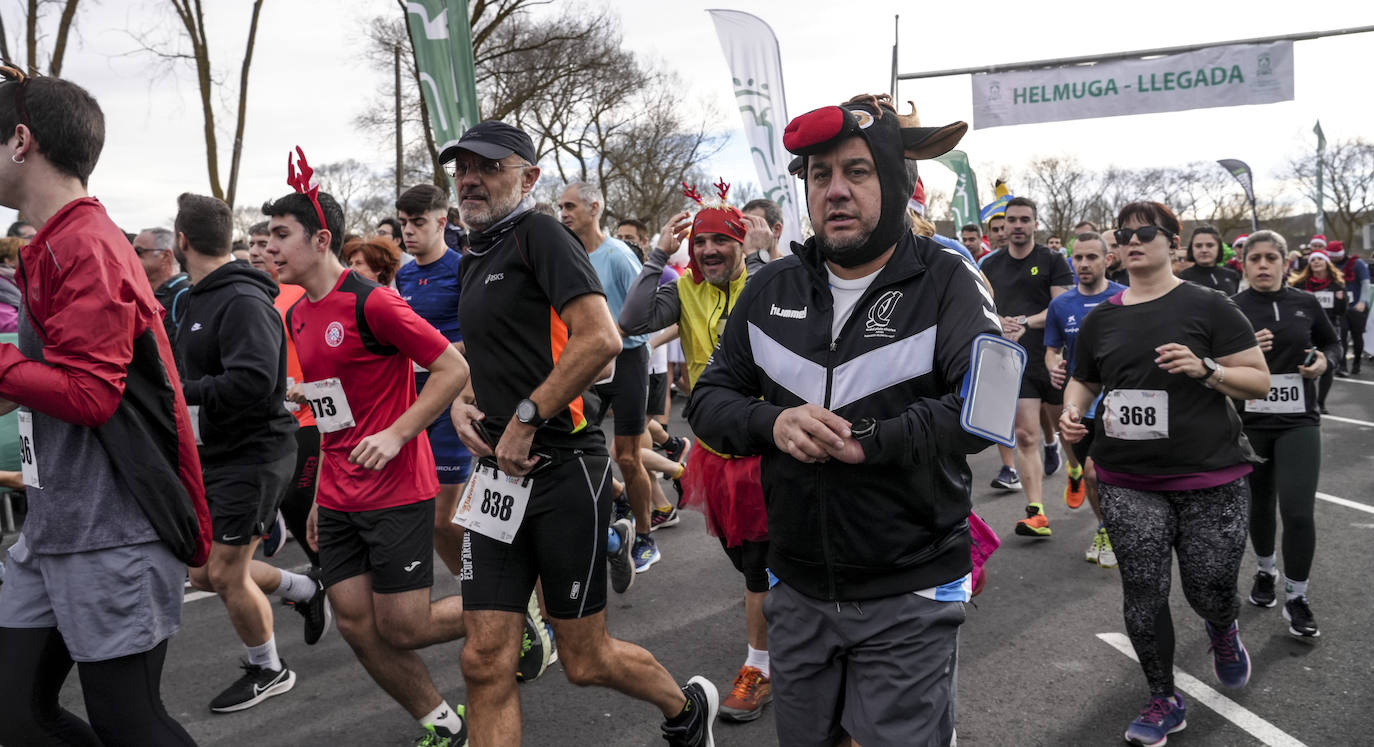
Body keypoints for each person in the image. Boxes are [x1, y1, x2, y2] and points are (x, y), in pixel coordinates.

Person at [688, 92, 993, 746]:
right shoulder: (770, 290)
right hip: (795, 590)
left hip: (910, 590)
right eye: (819, 175)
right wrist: (773, 424)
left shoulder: (947, 279)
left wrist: (873, 442)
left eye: (856, 171)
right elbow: (708, 401)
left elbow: (987, 405)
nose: (836, 190)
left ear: (896, 181)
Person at [443, 120, 717, 747]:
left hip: (564, 469)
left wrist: (526, 417)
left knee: (584, 659)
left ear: (529, 177)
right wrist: (462, 400)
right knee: (483, 659)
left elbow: (602, 338)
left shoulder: (540, 234)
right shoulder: (473, 254)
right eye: (462, 168)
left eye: (488, 167)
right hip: (495, 480)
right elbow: (485, 350)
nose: (470, 179)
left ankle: (685, 710)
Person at [0, 65, 208, 746]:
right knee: (14, 714)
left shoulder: (85, 244)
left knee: (130, 722)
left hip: (111, 528)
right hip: (54, 524)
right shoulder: (56, 242)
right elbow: (51, 380)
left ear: (20, 141)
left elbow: (90, 394)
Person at [263, 155, 472, 747]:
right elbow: (334, 410)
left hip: (398, 487)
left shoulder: (373, 302)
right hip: (339, 492)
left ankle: (510, 603)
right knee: (356, 624)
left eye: (281, 235)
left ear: (320, 238)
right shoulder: (299, 315)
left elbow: (451, 367)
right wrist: (320, 495)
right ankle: (440, 722)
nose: (269, 248)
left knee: (403, 626)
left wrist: (399, 432)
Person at [1060, 201, 1269, 747]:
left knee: (1210, 588)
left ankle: (1222, 628)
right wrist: (1071, 410)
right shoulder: (1103, 316)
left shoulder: (1210, 305)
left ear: (1172, 243)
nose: (1132, 240)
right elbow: (1083, 379)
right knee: (1144, 593)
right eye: (1122, 233)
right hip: (1128, 478)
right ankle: (1162, 698)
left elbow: (1259, 380)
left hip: (1211, 479)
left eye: (1145, 232)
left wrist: (1207, 369)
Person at [621, 184, 776, 723]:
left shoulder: (766, 280)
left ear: (741, 243)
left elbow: (781, 310)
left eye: (721, 241)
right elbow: (633, 321)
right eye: (700, 242)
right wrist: (658, 255)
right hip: (715, 450)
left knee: (761, 567)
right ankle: (783, 624)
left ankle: (761, 665)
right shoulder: (684, 289)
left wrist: (758, 258)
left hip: (770, 447)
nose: (708, 251)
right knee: (749, 562)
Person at [172, 192, 329, 712]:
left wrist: (179, 393)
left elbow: (257, 383)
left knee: (226, 573)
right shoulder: (195, 297)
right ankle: (303, 591)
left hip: (255, 453)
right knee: (203, 572)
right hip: (215, 451)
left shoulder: (241, 299)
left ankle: (269, 669)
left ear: (182, 241)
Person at [1232, 229, 1337, 638]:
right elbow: (1212, 358)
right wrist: (1244, 349)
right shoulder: (1233, 308)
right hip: (1251, 422)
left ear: (1284, 263)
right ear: (1243, 265)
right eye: (1254, 258)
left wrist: (1323, 364)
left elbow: (1332, 344)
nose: (1262, 265)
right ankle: (1264, 571)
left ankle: (1297, 596)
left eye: (1270, 258)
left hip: (1298, 421)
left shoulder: (1305, 303)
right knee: (1259, 505)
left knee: (1297, 511)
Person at [559, 181, 664, 573]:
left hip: (630, 358)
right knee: (575, 447)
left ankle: (646, 536)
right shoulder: (567, 255)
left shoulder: (618, 255)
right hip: (588, 360)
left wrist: (610, 337)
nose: (564, 213)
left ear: (595, 208)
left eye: (571, 206)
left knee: (627, 455)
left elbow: (646, 309)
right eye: (561, 207)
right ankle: (619, 497)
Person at [980, 196, 1074, 535]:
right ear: (1003, 225)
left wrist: (1024, 321)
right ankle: (1036, 513)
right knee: (1024, 434)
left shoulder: (1052, 260)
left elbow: (1062, 308)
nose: (1017, 225)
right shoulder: (989, 266)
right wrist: (998, 325)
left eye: (1024, 219)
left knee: (1069, 432)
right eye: (1012, 220)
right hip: (1014, 360)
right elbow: (984, 307)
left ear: (1035, 224)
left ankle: (1074, 469)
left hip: (1052, 357)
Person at [246, 219, 325, 577]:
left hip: (309, 416)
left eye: (266, 242)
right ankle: (323, 577)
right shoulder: (250, 295)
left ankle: (330, 574)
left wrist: (309, 389)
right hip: (270, 420)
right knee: (293, 506)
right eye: (253, 243)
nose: (258, 251)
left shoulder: (298, 291)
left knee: (303, 502)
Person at [1044, 232, 1125, 568]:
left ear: (1107, 259)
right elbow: (1051, 349)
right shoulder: (1061, 305)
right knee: (1091, 475)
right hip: (1079, 402)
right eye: (1078, 258)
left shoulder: (1124, 297)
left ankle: (1117, 527)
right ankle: (1106, 525)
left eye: (1092, 257)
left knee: (1099, 473)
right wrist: (1053, 368)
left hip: (1120, 401)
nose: (1084, 264)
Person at [1288, 247, 1346, 413]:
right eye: (1313, 260)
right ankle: (1307, 400)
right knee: (1307, 364)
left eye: (1319, 259)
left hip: (1329, 329)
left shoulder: (1336, 285)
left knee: (1327, 366)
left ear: (1327, 263)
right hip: (1307, 329)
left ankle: (1321, 403)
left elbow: (1342, 312)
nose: (1316, 262)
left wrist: (1341, 300)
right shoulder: (1300, 284)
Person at [134, 226, 191, 342]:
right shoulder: (146, 293)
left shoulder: (184, 295)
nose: (131, 257)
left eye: (138, 252)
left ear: (165, 256)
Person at [1327, 240, 1369, 376]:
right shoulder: (1331, 265)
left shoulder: (1357, 263)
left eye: (1334, 256)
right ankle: (1342, 366)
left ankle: (1356, 362)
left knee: (1357, 337)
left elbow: (1365, 283)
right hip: (1341, 308)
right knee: (1342, 337)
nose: (1331, 258)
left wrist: (1362, 301)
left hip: (1357, 307)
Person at [1178, 226, 1241, 295]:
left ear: (1219, 248)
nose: (1204, 250)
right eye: (1198, 246)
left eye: (1210, 245)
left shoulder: (1231, 275)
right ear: (1192, 248)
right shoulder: (1183, 278)